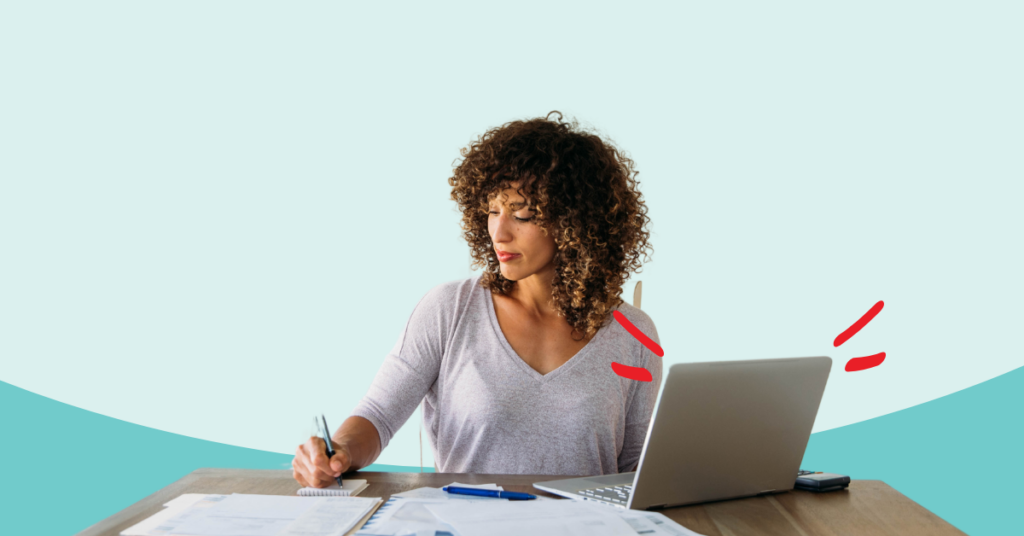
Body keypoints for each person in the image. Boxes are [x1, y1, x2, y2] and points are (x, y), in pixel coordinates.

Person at [292, 111, 660, 488]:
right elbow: (378, 415)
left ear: (577, 221)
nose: (499, 233)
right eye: (492, 211)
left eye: (524, 215)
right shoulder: (450, 310)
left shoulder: (634, 334)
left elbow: (635, 470)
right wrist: (339, 452)